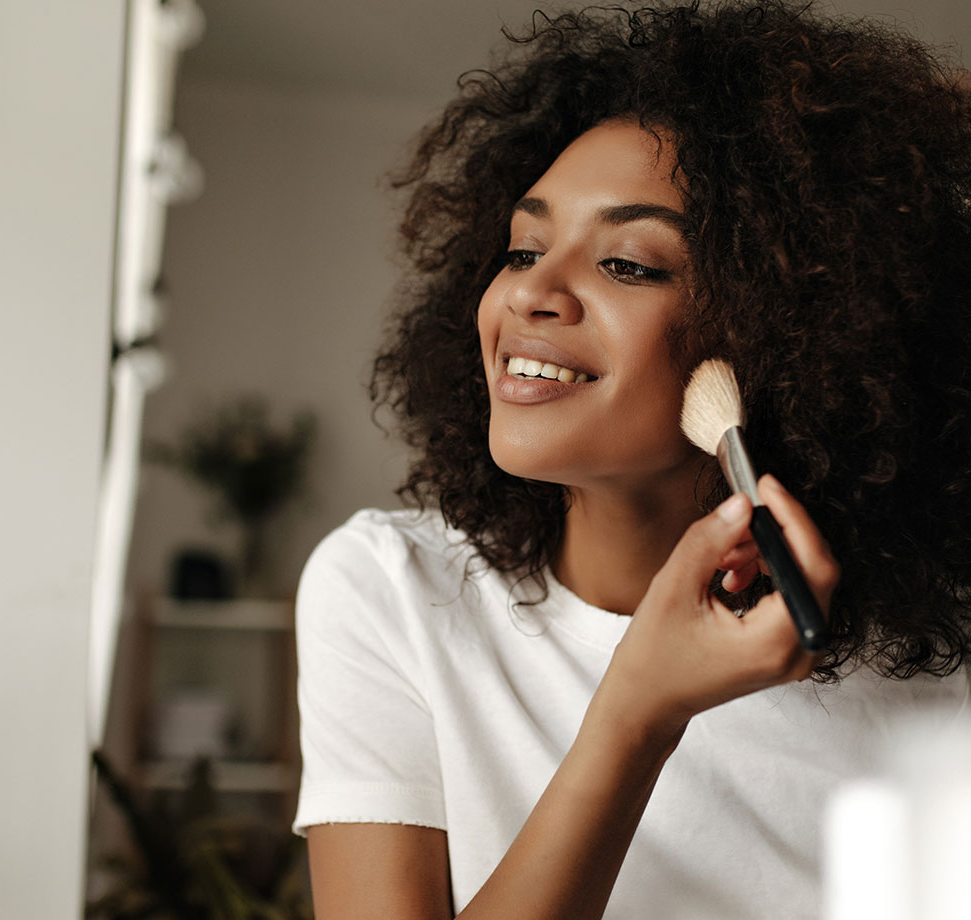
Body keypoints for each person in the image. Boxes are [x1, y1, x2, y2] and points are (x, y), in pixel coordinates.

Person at [290, 2, 971, 918]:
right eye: (524, 247)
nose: (531, 289)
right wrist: (637, 712)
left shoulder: (936, 678)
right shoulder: (396, 592)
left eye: (630, 265)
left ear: (792, 336)